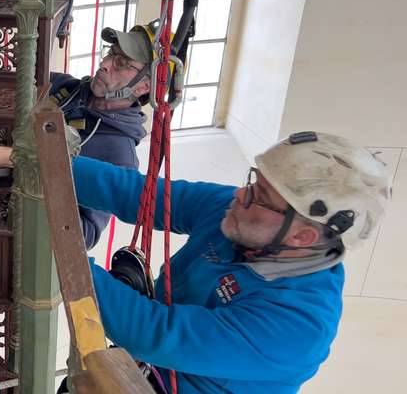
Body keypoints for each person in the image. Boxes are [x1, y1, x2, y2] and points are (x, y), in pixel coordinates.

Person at [71, 131, 392, 393]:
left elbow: (151, 332)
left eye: (260, 195)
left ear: (302, 237)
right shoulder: (239, 213)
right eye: (254, 181)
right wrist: (49, 165)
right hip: (139, 368)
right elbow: (137, 195)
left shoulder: (296, 325)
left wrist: (66, 254)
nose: (241, 195)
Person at [0, 24, 153, 247]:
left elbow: (83, 236)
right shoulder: (66, 87)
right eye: (110, 53)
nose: (104, 64)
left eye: (121, 63)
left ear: (143, 87)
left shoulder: (120, 156)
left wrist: (12, 158)